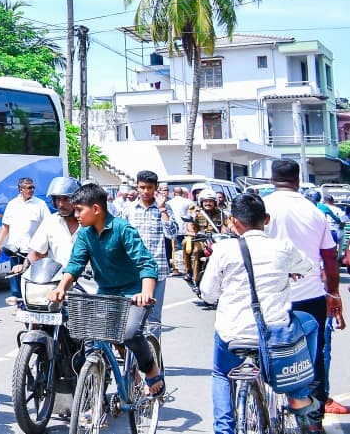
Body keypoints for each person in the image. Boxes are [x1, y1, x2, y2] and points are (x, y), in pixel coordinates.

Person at [200, 193, 322, 434]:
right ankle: (298, 395)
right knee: (310, 323)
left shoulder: (224, 249)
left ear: (233, 221)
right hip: (276, 334)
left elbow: (207, 293)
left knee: (222, 374)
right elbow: (308, 267)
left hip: (233, 333)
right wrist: (288, 272)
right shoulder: (282, 247)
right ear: (266, 219)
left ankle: (223, 429)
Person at [48, 183, 166, 398]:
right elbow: (75, 263)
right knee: (95, 336)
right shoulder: (85, 234)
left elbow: (147, 263)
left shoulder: (122, 229)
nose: (76, 215)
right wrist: (61, 288)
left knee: (130, 334)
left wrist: (146, 293)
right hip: (105, 293)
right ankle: (114, 388)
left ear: (96, 209)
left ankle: (150, 369)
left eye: (79, 210)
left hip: (133, 293)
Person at [263, 160, 343, 420]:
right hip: (309, 296)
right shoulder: (314, 211)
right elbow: (329, 257)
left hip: (268, 295)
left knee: (264, 351)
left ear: (272, 179)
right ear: (297, 180)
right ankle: (313, 420)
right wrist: (333, 294)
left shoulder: (261, 207)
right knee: (313, 356)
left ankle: (263, 410)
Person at [123, 170, 177, 330]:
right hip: (132, 270)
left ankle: (153, 347)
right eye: (142, 187)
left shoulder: (165, 208)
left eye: (149, 187)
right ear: (137, 187)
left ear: (156, 188)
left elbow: (172, 234)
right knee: (130, 315)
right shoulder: (128, 209)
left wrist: (162, 209)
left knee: (153, 318)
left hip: (158, 269)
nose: (146, 191)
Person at [0, 177, 49, 304]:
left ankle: (30, 303)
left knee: (31, 281)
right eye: (29, 187)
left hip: (31, 252)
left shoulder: (40, 204)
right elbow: (5, 227)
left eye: (33, 187)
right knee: (15, 281)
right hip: (14, 250)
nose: (32, 190)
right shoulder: (12, 204)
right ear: (21, 189)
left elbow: (48, 226)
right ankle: (18, 305)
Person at [25, 176, 81, 267]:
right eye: (58, 199)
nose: (61, 204)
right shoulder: (50, 222)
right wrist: (25, 266)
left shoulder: (89, 222)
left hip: (86, 275)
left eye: (66, 199)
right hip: (58, 275)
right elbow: (36, 253)